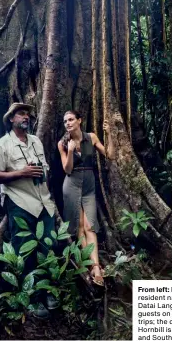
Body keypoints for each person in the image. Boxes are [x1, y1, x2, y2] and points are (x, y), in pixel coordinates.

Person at [0, 102, 58, 319]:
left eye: (27, 113)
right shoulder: (2, 145)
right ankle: (32, 298)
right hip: (19, 203)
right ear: (11, 119)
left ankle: (47, 292)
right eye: (20, 114)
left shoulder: (36, 141)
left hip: (44, 202)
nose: (25, 116)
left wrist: (40, 172)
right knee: (25, 252)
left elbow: (44, 167)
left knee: (49, 246)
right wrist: (21, 172)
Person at [58, 111, 115, 287]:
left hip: (89, 185)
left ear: (79, 121)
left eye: (71, 119)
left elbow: (110, 155)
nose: (67, 123)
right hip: (72, 184)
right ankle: (90, 266)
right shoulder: (63, 143)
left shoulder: (91, 137)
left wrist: (110, 134)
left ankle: (96, 267)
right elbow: (67, 170)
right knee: (79, 226)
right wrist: (70, 151)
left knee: (91, 225)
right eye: (65, 120)